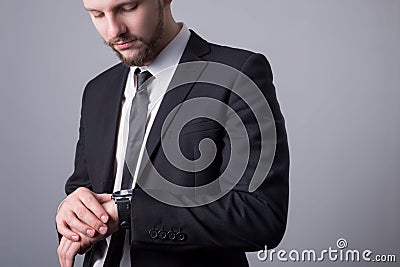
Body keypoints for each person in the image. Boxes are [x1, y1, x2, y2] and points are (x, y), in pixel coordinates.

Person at [56, 0, 289, 266]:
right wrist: (71, 212)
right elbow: (83, 189)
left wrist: (129, 211)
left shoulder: (237, 74)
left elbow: (261, 215)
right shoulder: (97, 91)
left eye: (128, 8)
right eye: (97, 14)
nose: (113, 31)